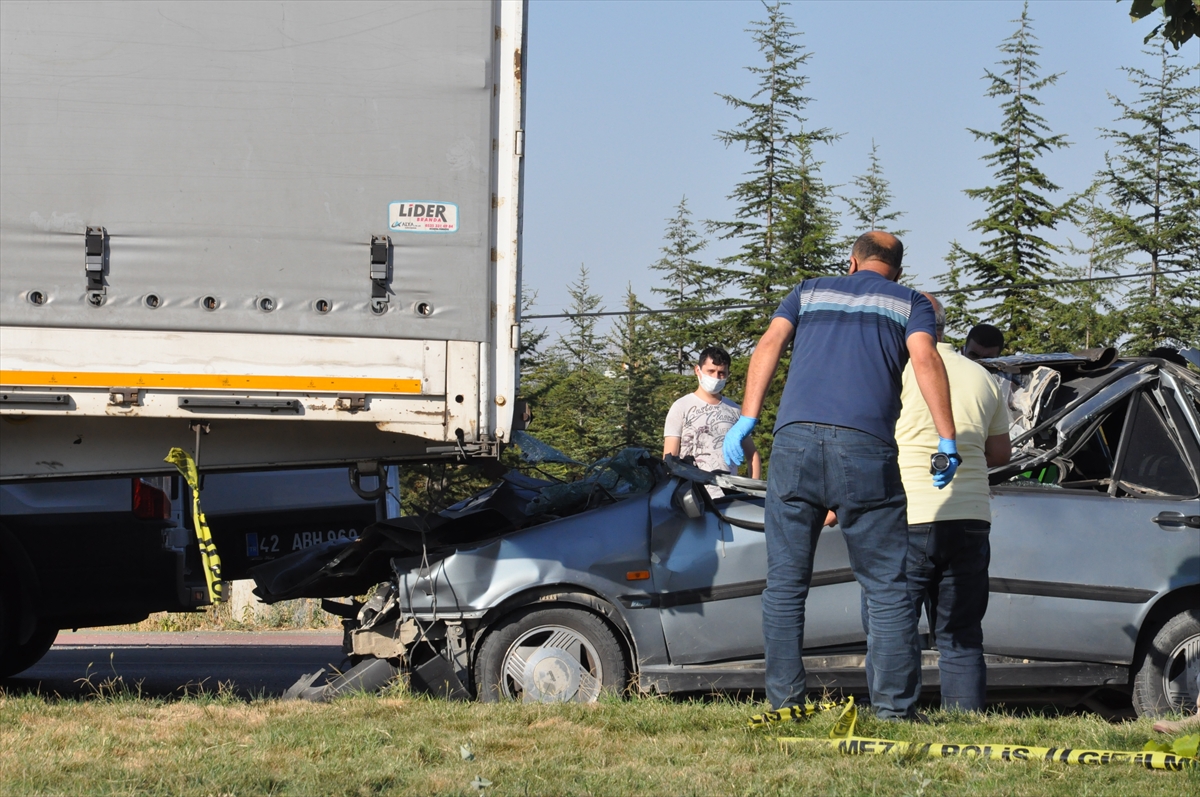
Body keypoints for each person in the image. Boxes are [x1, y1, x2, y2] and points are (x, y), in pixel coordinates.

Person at [723, 231, 958, 720]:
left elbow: (769, 344)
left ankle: (786, 705)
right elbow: (925, 358)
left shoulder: (808, 290)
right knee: (887, 587)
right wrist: (946, 439)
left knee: (786, 585)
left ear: (851, 262)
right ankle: (893, 711)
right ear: (896, 267)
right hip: (865, 448)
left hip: (794, 443)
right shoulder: (910, 302)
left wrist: (748, 418)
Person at [892, 293, 1011, 711]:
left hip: (911, 513)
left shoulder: (898, 371)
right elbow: (1000, 455)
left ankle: (895, 716)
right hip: (972, 514)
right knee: (961, 633)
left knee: (896, 626)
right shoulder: (982, 377)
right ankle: (966, 722)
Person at [664, 346, 761, 490]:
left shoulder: (735, 411)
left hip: (729, 498)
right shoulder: (681, 407)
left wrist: (752, 491)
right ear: (698, 370)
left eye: (721, 373)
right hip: (692, 498)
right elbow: (669, 458)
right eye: (711, 371)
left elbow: (752, 455)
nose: (716, 377)